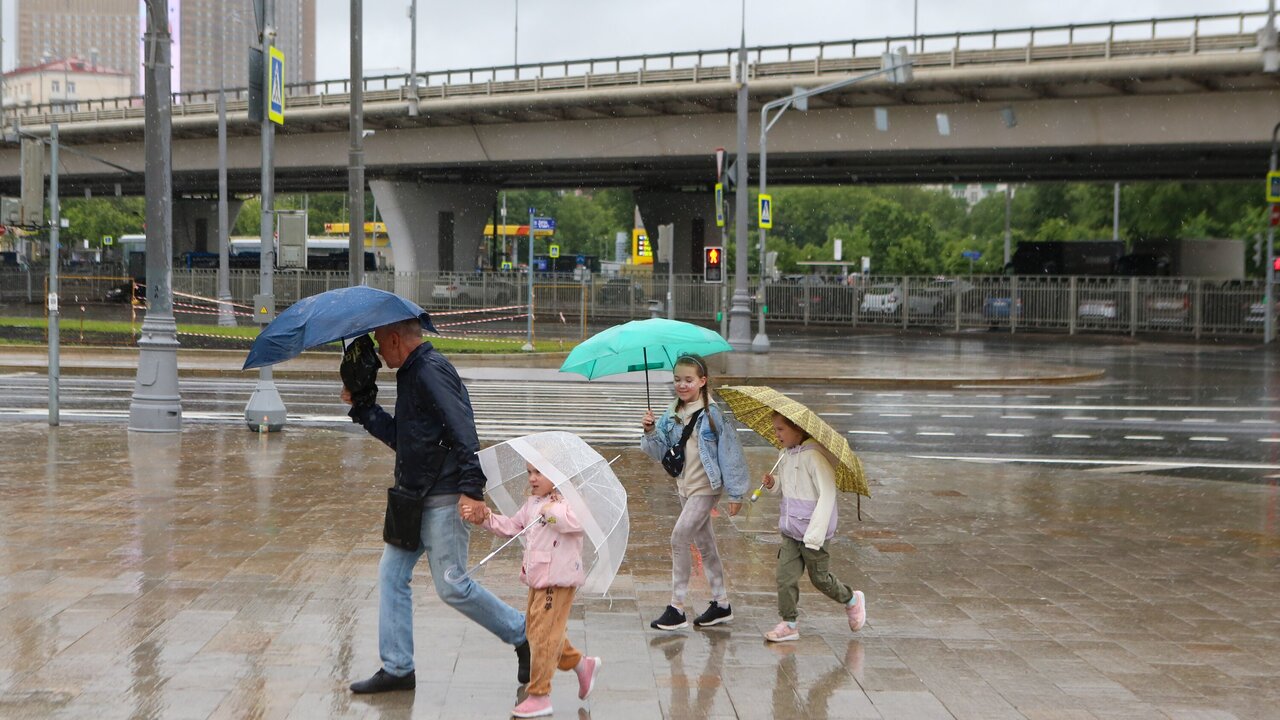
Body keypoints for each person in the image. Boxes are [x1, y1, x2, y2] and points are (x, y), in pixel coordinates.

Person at [340, 317, 529, 694]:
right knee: (391, 575)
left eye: (380, 343)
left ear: (396, 339)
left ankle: (524, 633)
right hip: (412, 497)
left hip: (442, 496)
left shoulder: (430, 370)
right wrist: (363, 407)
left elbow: (463, 429)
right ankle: (398, 668)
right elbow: (404, 439)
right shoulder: (411, 373)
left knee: (453, 586)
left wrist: (471, 488)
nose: (378, 352)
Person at [465, 461, 603, 718]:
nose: (532, 478)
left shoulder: (569, 501)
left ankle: (540, 694)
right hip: (538, 577)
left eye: (539, 472)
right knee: (537, 630)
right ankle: (581, 664)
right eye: (529, 472)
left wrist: (550, 511)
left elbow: (576, 522)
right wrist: (486, 519)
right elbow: (512, 527)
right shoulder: (532, 503)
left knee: (543, 635)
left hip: (558, 580)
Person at [640, 353, 749, 631]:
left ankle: (676, 608)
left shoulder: (713, 415)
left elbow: (730, 454)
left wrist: (736, 493)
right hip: (684, 487)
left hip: (705, 488)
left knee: (679, 538)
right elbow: (659, 452)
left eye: (688, 380)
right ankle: (721, 604)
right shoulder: (671, 414)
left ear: (702, 381)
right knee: (706, 545)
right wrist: (650, 431)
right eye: (677, 379)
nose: (682, 385)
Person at [758, 412, 865, 643]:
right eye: (775, 429)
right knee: (785, 578)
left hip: (813, 533)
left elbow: (827, 495)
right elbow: (788, 487)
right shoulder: (784, 455)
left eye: (780, 429)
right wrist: (774, 483)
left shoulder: (815, 457)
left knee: (820, 579)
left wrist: (815, 535)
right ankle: (789, 624)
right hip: (791, 531)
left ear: (798, 429)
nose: (776, 434)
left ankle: (851, 599)